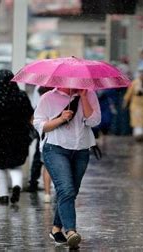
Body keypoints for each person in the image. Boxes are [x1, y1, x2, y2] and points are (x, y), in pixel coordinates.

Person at [33, 86, 101, 248]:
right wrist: (61, 119)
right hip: (55, 148)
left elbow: (94, 121)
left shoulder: (89, 94)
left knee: (71, 192)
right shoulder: (48, 97)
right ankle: (71, 231)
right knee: (66, 189)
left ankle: (56, 229)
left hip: (81, 150)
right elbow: (39, 125)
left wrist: (84, 97)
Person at [0, 70, 34, 204]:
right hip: (19, 134)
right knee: (16, 164)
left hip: (1, 134)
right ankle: (16, 185)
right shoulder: (21, 95)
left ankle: (3, 195)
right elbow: (29, 114)